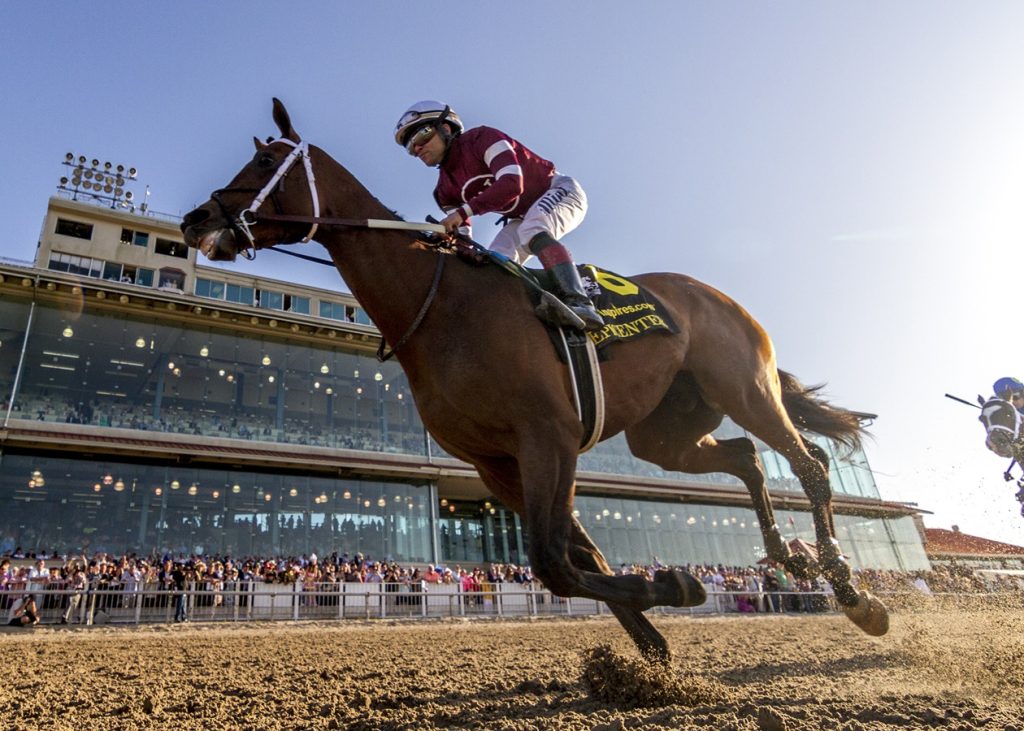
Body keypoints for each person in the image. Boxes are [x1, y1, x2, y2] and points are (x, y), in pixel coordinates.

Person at [394, 100, 605, 331]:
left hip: (559, 190)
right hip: (522, 217)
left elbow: (512, 184)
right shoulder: (444, 191)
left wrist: (464, 211)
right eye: (410, 146)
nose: (417, 148)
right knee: (494, 262)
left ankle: (580, 302)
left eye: (422, 135)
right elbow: (465, 241)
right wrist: (454, 245)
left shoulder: (482, 138)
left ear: (446, 128)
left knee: (533, 229)